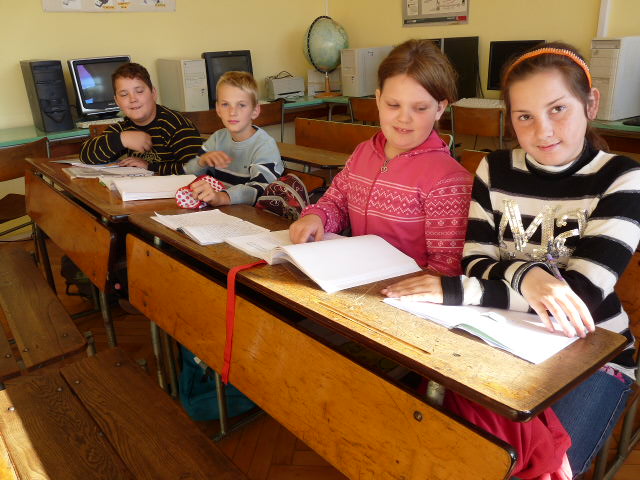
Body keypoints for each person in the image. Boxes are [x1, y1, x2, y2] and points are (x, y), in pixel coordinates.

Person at [383, 42, 640, 477]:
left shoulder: (623, 177)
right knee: (444, 449)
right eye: (525, 116)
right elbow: (475, 260)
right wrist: (529, 277)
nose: (543, 131)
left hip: (592, 349)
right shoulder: (495, 168)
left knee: (544, 470)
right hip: (500, 335)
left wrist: (463, 289)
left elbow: (579, 296)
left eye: (558, 109)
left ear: (590, 103)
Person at [289, 39, 472, 276]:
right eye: (393, 105)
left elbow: (447, 266)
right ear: (378, 100)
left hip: (403, 292)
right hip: (354, 278)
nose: (404, 118)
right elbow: (337, 203)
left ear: (439, 108)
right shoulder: (363, 152)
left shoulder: (449, 181)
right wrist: (317, 217)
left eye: (420, 108)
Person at [79, 62, 203, 175]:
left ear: (153, 93)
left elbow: (197, 169)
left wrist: (150, 167)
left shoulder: (177, 126)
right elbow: (86, 155)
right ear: (117, 101)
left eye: (139, 91)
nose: (132, 99)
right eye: (124, 94)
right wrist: (122, 139)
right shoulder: (126, 127)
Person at [182, 71, 283, 207]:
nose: (232, 112)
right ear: (218, 109)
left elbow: (261, 190)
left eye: (241, 105)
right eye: (225, 104)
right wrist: (202, 161)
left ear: (255, 111)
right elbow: (188, 173)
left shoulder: (265, 146)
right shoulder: (217, 138)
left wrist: (222, 197)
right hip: (219, 211)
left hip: (251, 215)